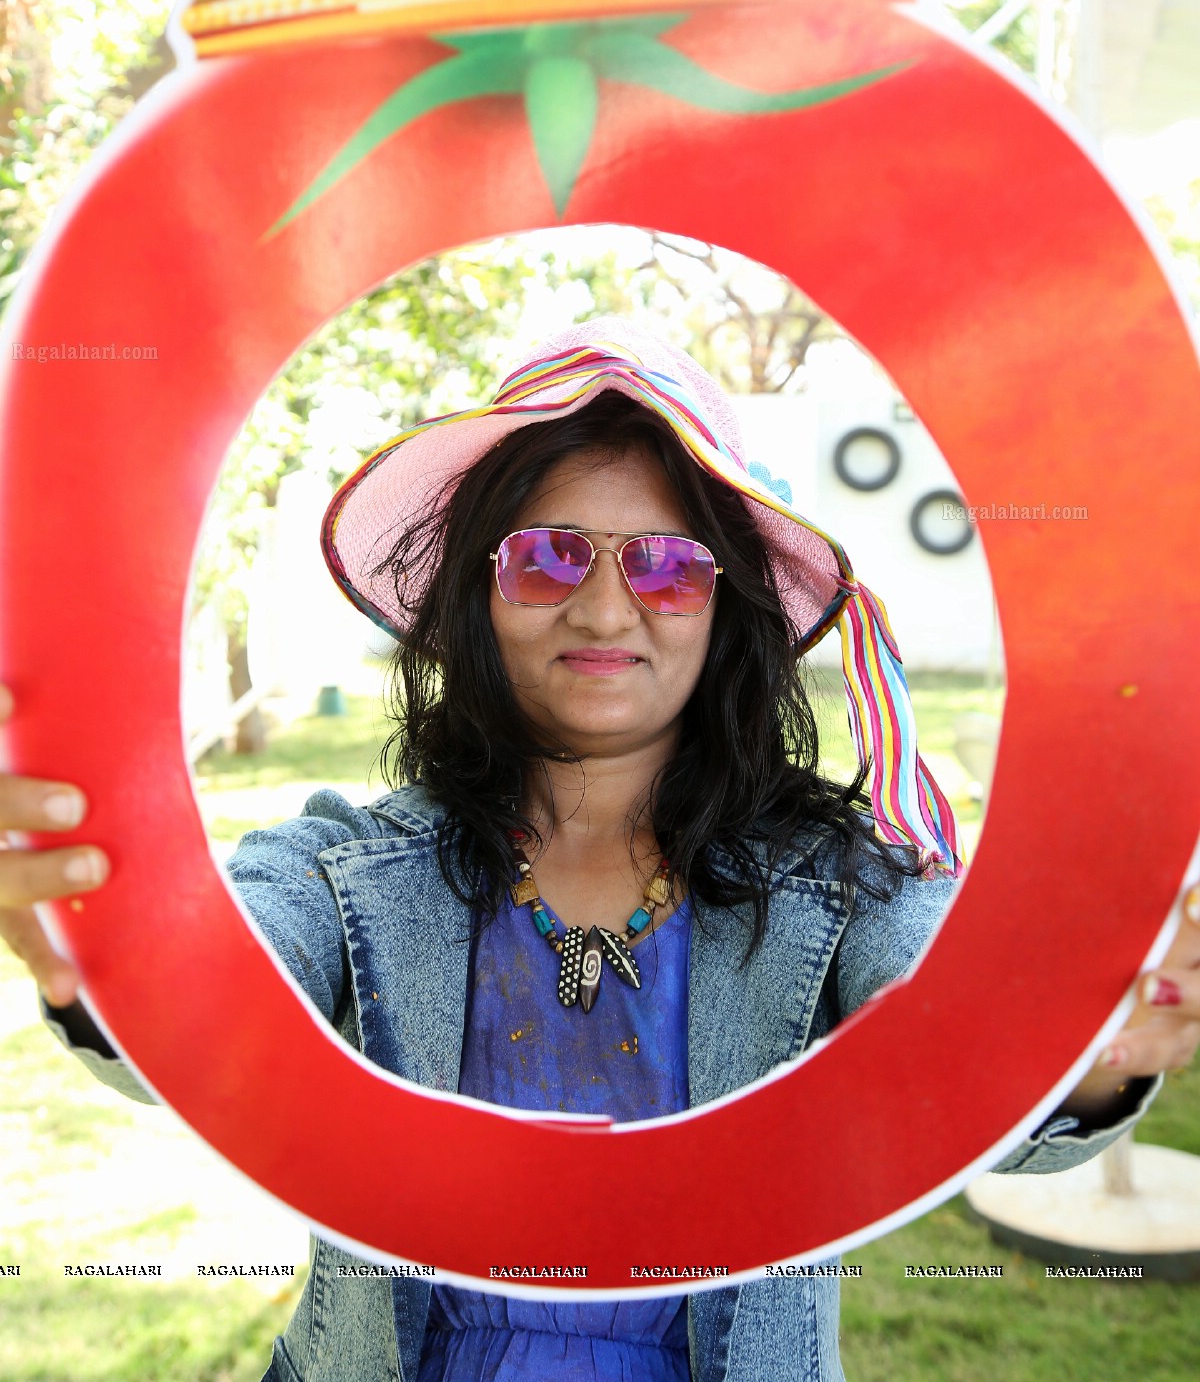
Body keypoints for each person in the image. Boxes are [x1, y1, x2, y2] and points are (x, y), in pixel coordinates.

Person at [1, 319, 1198, 1382]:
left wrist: (1075, 1044)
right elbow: (219, 967)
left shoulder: (843, 885)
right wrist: (113, 949)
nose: (608, 609)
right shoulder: (350, 865)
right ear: (481, 592)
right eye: (549, 555)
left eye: (671, 566)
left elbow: (963, 1021)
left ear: (727, 608)